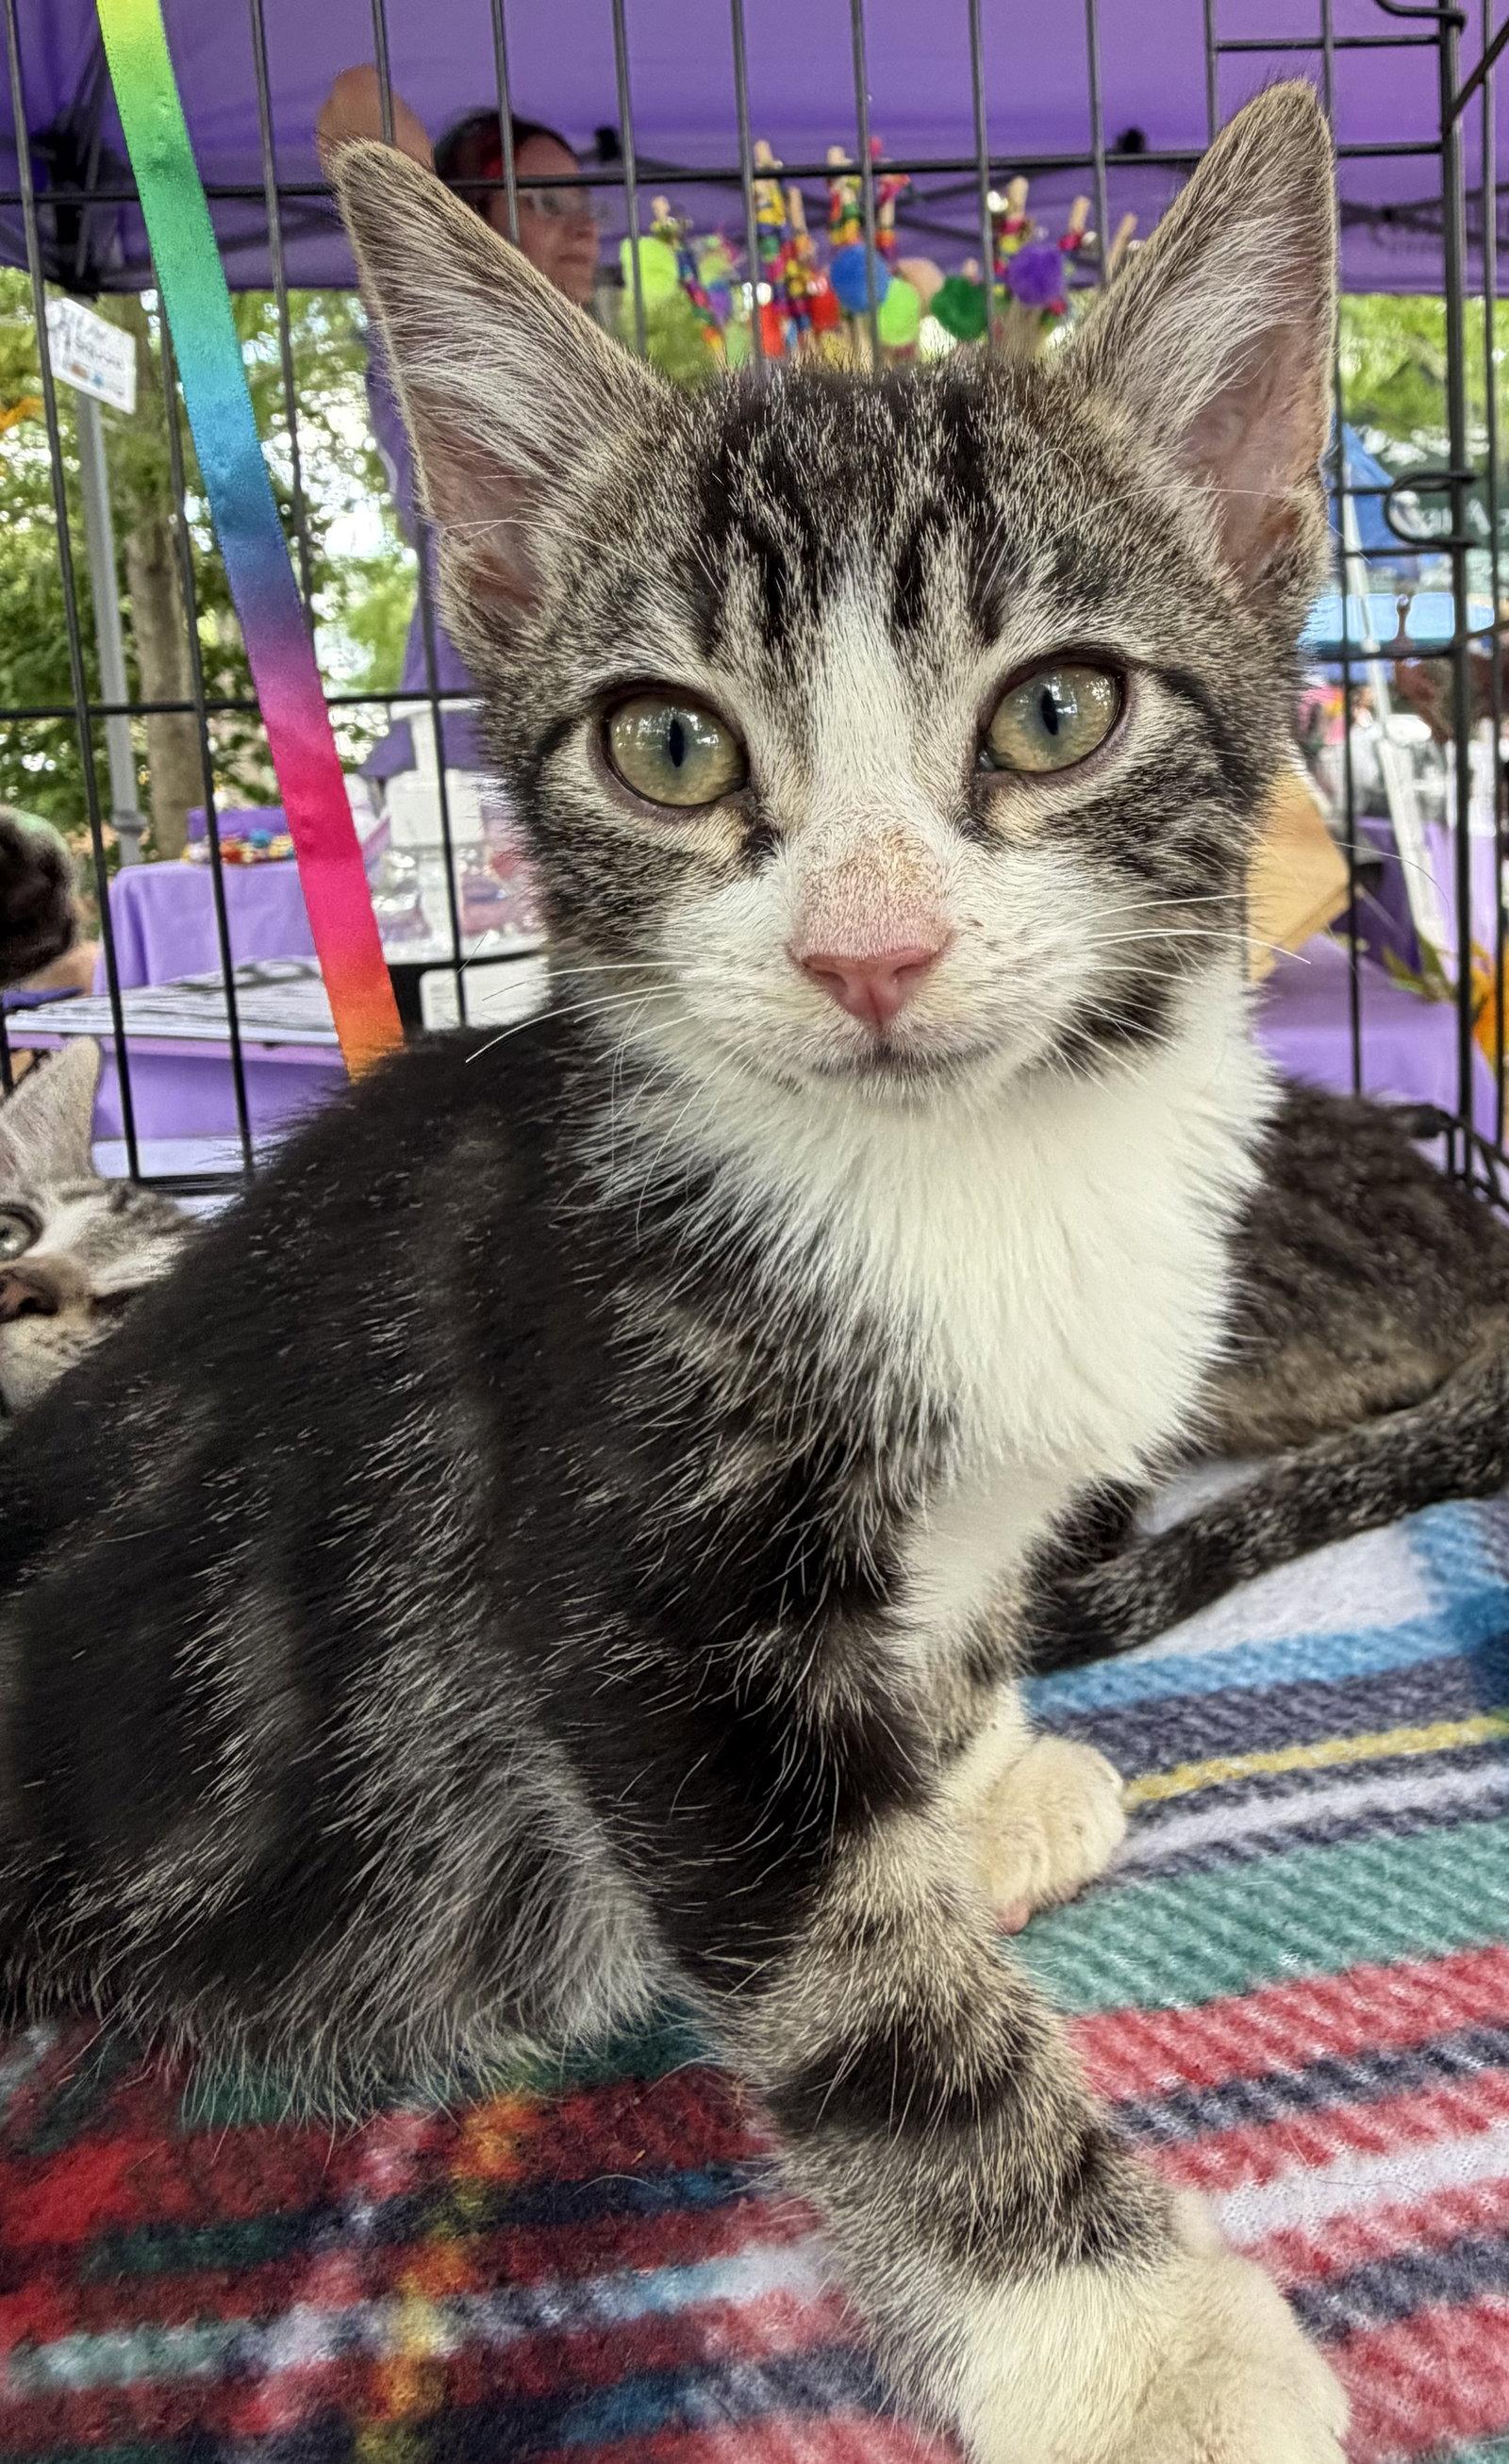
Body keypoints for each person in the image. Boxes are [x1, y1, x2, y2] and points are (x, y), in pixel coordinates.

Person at [316, 70, 599, 806]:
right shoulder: (439, 342)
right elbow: (360, 99)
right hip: (461, 761)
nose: (586, 226)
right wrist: (420, 212)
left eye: (585, 201)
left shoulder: (600, 365)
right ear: (476, 212)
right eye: (545, 202)